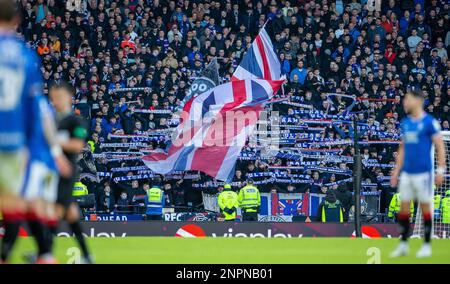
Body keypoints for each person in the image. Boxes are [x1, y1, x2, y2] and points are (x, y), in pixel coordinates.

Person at [0, 0, 70, 264]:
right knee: (19, 202)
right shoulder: (25, 56)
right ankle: (45, 254)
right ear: (17, 20)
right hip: (15, 142)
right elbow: (36, 109)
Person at [390, 90, 446, 258]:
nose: (404, 102)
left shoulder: (430, 122)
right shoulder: (406, 123)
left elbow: (440, 146)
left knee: (425, 207)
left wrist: (441, 169)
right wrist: (396, 170)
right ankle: (403, 244)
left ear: (417, 101)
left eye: (407, 99)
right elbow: (402, 148)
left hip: (424, 174)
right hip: (407, 173)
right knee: (404, 208)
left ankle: (427, 244)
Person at [48, 81, 93, 264]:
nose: (54, 101)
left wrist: (51, 142)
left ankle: (45, 252)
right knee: (71, 213)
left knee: (56, 210)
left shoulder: (75, 120)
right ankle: (87, 256)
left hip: (67, 170)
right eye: (52, 97)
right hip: (52, 171)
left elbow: (77, 145)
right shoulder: (51, 120)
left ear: (68, 97)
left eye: (58, 97)